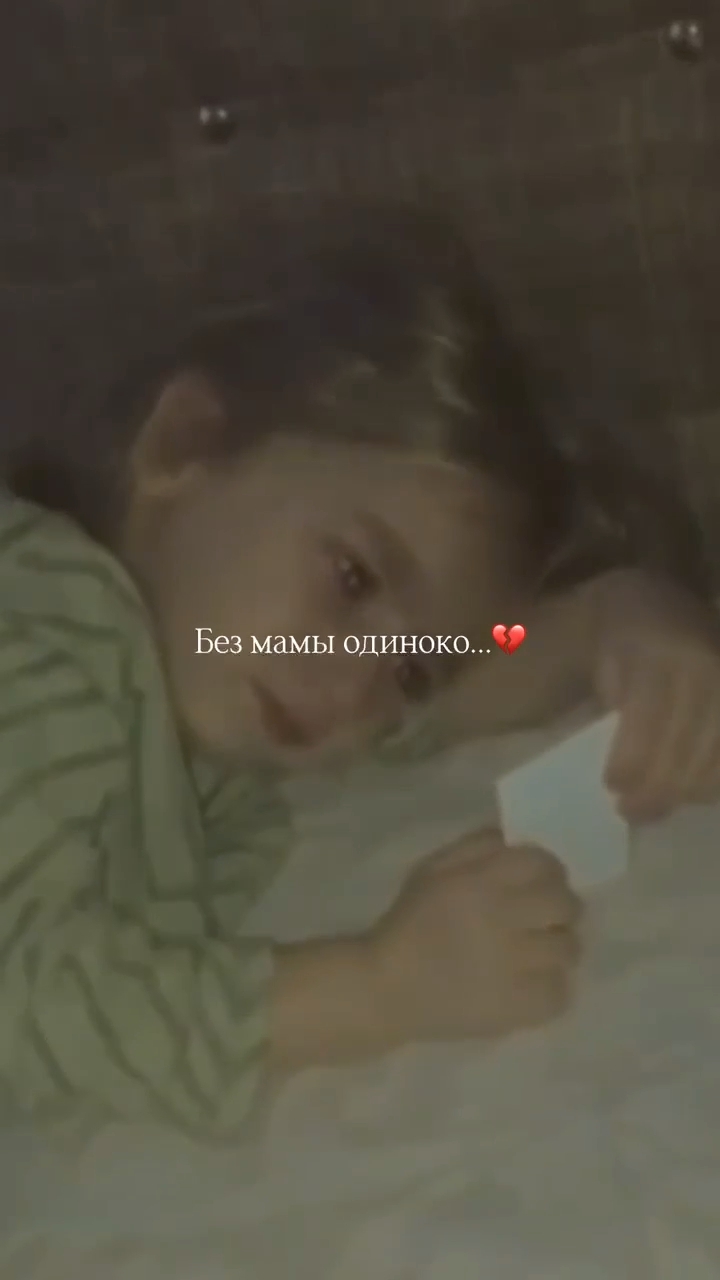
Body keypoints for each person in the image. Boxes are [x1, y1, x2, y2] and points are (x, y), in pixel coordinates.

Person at [2, 206, 719, 1141]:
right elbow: (26, 993)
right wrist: (376, 989)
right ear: (183, 443)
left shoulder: (208, 677)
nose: (352, 685)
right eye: (352, 579)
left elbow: (472, 672)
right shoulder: (43, 616)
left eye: (406, 670)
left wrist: (613, 615)